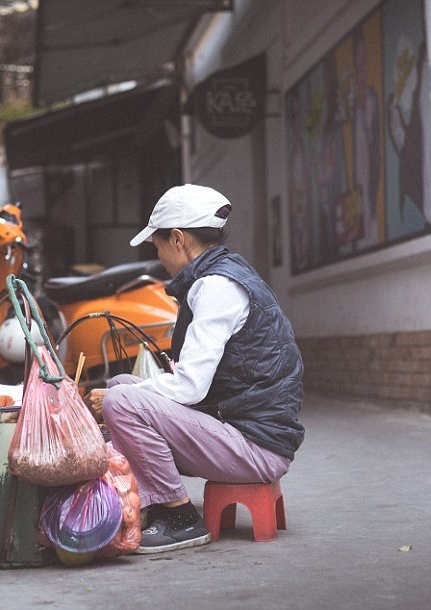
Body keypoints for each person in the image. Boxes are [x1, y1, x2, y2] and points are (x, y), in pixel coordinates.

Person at [101, 184, 305, 554]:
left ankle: (179, 517)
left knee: (120, 400)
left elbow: (190, 388)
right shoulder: (220, 275)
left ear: (177, 238)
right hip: (239, 428)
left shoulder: (216, 286)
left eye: (157, 244)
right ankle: (142, 502)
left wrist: (116, 399)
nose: (158, 254)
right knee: (121, 385)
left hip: (256, 447)